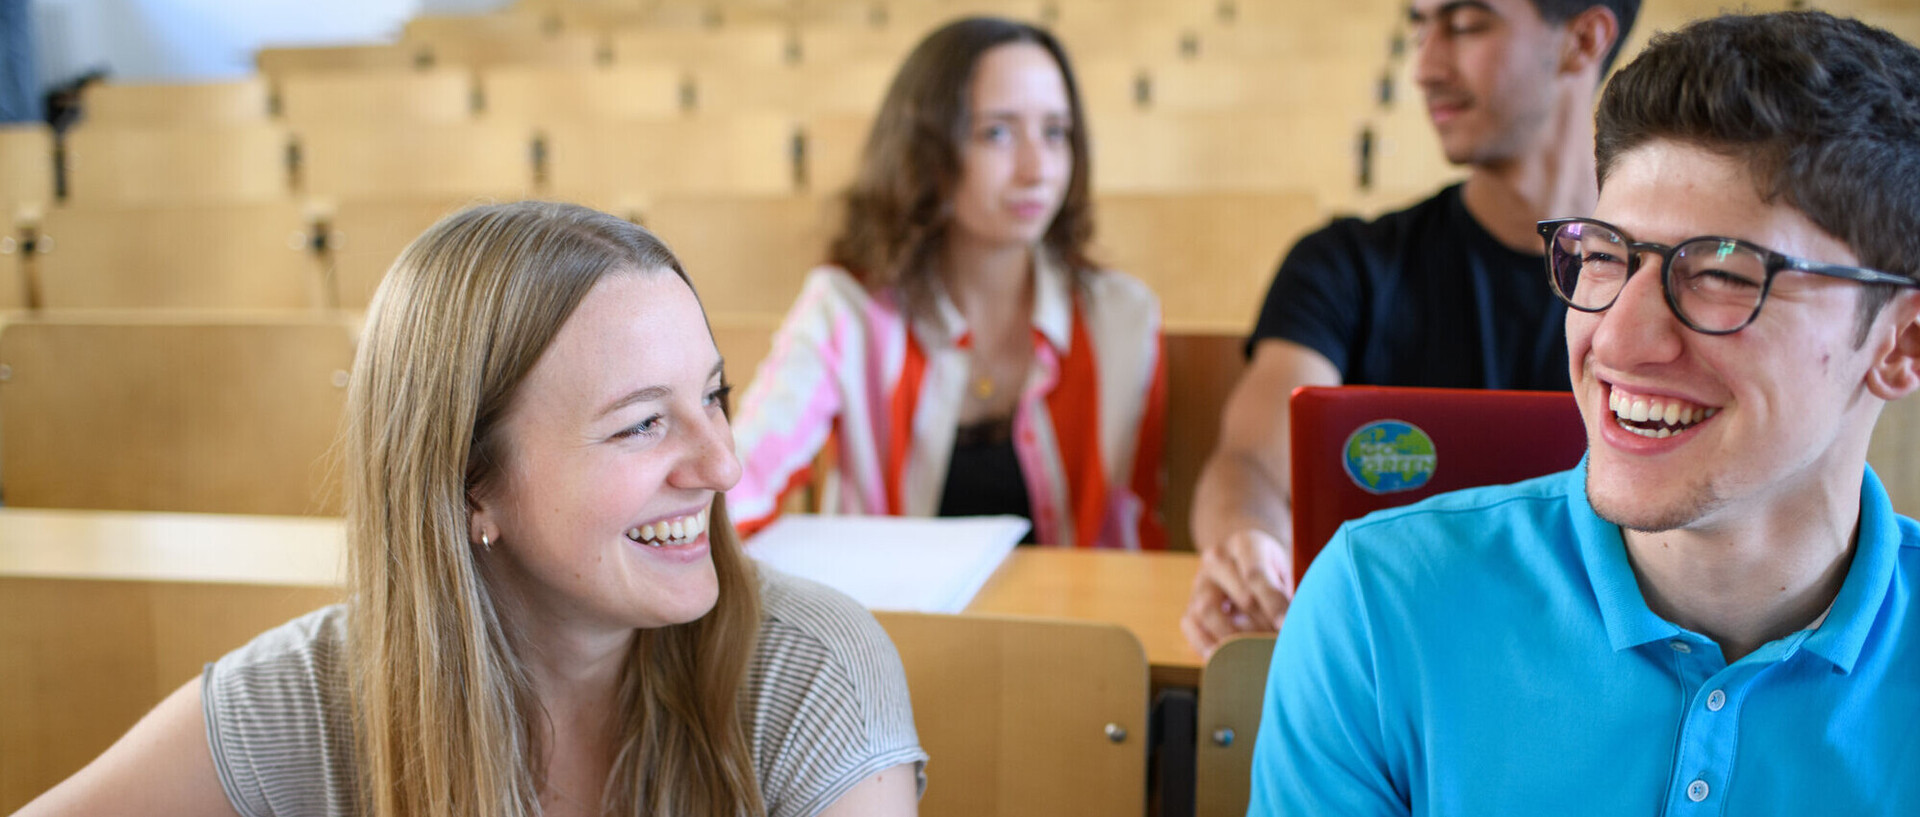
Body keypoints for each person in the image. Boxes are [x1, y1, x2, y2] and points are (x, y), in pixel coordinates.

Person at [15, 202, 926, 817]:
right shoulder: (307, 694)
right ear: (467, 484)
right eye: (644, 424)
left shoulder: (814, 675)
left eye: (714, 395)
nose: (724, 464)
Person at [1249, 11, 1920, 813]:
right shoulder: (1379, 607)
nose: (1619, 337)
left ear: (1901, 344)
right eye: (1605, 255)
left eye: (1722, 272)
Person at [1182, 0, 1639, 653]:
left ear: (1583, 39)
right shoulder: (1347, 264)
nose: (1423, 66)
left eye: (1466, 24)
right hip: (1395, 664)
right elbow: (1251, 462)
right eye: (1419, 26)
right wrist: (1248, 543)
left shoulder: (1660, 290)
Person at [729, 17, 1166, 550]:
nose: (1038, 169)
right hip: (891, 628)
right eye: (996, 133)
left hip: (1076, 630)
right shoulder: (846, 311)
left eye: (1055, 133)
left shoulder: (1122, 318)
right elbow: (742, 480)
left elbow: (1134, 536)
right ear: (926, 152)